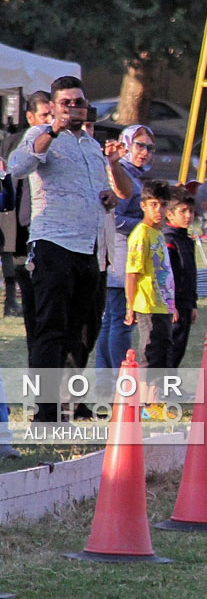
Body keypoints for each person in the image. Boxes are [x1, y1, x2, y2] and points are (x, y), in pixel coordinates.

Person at [8, 76, 129, 423]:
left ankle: (72, 404)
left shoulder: (91, 145)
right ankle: (45, 412)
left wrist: (106, 196)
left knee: (82, 332)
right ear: (55, 106)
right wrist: (53, 130)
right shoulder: (41, 135)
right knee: (51, 329)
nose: (73, 108)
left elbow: (109, 191)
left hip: (89, 248)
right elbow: (18, 167)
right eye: (66, 103)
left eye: (79, 102)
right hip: (53, 245)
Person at [96, 124, 156, 374]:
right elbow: (115, 218)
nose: (145, 152)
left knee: (111, 322)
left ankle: (106, 384)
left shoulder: (135, 175)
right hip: (121, 258)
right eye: (139, 145)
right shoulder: (121, 173)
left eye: (150, 148)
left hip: (123, 257)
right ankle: (122, 380)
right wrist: (147, 225)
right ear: (126, 145)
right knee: (121, 322)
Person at [0, 91, 52, 348]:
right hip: (19, 230)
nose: (49, 120)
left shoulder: (59, 142)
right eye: (44, 115)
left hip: (48, 232)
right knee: (31, 299)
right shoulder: (12, 143)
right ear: (30, 117)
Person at [124, 181, 177, 370]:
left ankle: (158, 397)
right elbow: (132, 274)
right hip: (147, 305)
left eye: (163, 204)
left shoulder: (159, 234)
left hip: (163, 305)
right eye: (153, 204)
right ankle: (146, 398)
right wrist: (130, 306)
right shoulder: (141, 234)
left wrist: (172, 305)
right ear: (143, 205)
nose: (159, 210)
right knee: (151, 353)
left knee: (164, 352)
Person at [163, 187, 199, 368]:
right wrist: (171, 304)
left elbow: (190, 274)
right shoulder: (169, 239)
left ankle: (169, 385)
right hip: (173, 303)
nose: (188, 215)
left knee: (180, 347)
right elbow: (167, 275)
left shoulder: (186, 239)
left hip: (185, 302)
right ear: (169, 214)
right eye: (182, 211)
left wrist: (193, 304)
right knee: (170, 346)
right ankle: (161, 388)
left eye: (191, 211)